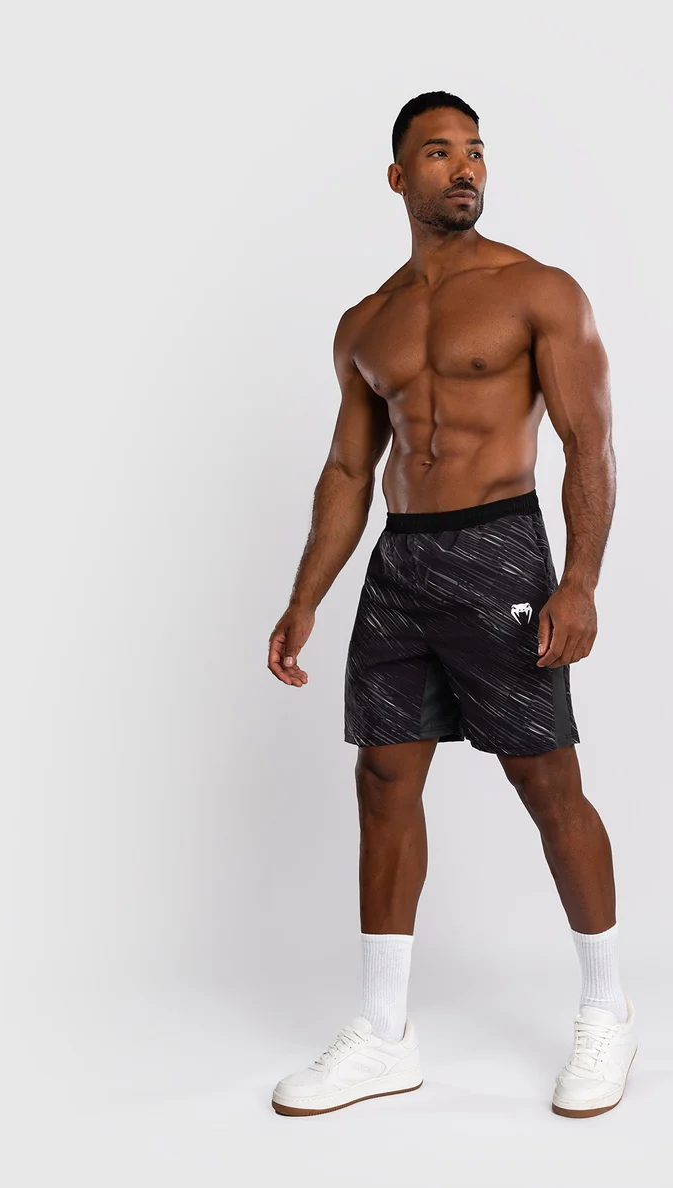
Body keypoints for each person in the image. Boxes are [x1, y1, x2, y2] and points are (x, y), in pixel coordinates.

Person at [267, 91, 636, 1119]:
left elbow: (589, 441)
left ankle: (607, 1008)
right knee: (384, 779)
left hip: (499, 551)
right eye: (438, 152)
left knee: (545, 778)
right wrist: (304, 598)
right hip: (401, 565)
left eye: (474, 151)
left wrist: (580, 581)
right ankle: (384, 1035)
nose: (464, 167)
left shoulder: (536, 291)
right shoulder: (365, 323)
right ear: (399, 177)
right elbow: (350, 470)